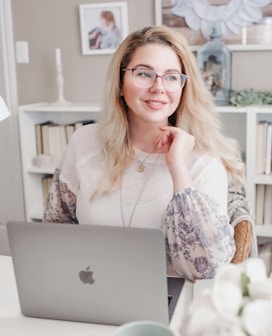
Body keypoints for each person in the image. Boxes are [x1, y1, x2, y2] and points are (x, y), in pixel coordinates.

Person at [43, 25, 246, 281]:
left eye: (172, 77)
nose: (159, 87)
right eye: (144, 74)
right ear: (119, 83)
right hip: (90, 291)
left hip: (169, 303)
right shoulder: (84, 142)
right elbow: (56, 226)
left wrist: (177, 167)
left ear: (184, 88)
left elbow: (204, 268)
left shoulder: (204, 161)